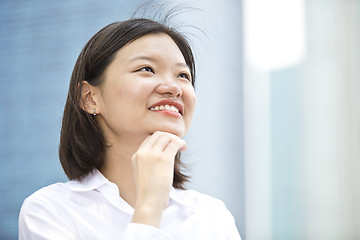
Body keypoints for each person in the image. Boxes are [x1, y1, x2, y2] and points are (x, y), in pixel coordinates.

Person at [18, 17, 241, 240]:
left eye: (183, 75)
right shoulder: (49, 211)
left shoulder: (211, 216)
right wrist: (149, 206)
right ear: (89, 98)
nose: (174, 88)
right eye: (147, 69)